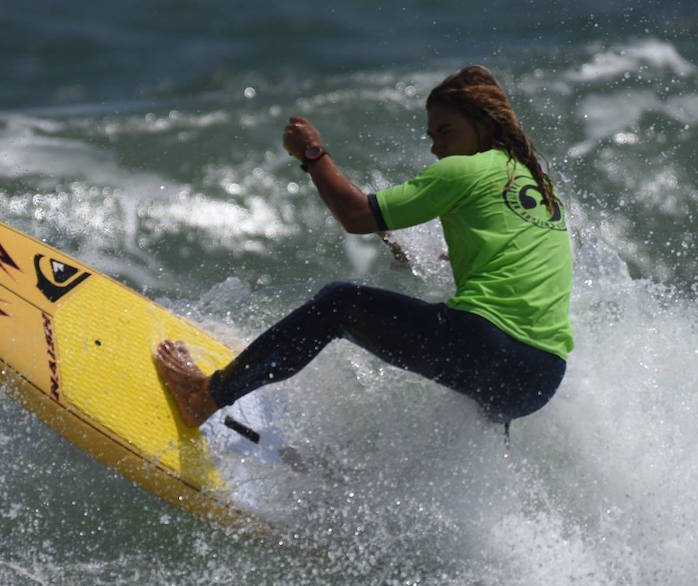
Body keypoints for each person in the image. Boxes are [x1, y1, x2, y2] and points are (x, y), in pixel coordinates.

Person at [154, 65, 573, 432]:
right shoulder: (537, 185)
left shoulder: (465, 170)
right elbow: (503, 253)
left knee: (337, 305)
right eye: (432, 136)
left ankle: (206, 395)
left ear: (485, 125)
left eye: (446, 131)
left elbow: (356, 215)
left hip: (488, 345)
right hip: (539, 378)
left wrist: (313, 155)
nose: (437, 147)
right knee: (471, 414)